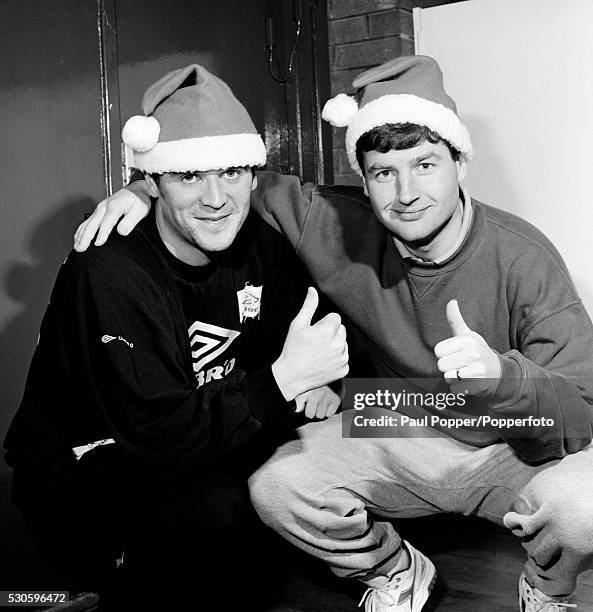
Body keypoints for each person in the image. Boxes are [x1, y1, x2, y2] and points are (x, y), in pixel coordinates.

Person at [72, 55, 593, 612]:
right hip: (401, 412)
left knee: (583, 506)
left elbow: (581, 411)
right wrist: (141, 190)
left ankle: (547, 587)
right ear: (363, 180)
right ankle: (394, 570)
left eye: (425, 165)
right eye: (383, 173)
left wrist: (503, 380)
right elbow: (223, 177)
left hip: (511, 437)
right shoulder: (335, 221)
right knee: (276, 484)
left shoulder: (524, 255)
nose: (406, 192)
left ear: (460, 164)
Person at [3, 64, 349, 610]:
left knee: (321, 458)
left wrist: (322, 376)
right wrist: (285, 379)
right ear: (154, 181)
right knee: (211, 510)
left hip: (199, 434)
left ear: (253, 175)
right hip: (89, 462)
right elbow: (158, 433)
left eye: (231, 172)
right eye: (189, 176)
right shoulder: (112, 269)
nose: (216, 197)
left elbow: (306, 324)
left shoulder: (259, 243)